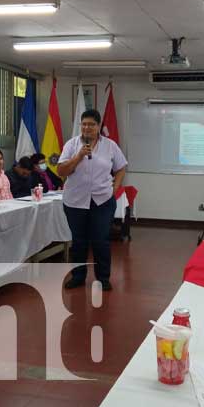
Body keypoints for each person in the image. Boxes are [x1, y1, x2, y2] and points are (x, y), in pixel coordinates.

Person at [57, 109, 127, 291]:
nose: (87, 128)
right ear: (81, 125)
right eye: (84, 124)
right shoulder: (71, 145)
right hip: (75, 201)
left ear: (98, 126)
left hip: (102, 200)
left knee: (100, 240)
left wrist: (115, 187)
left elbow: (121, 167)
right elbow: (61, 171)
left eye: (91, 124)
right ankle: (78, 276)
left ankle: (103, 278)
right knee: (79, 241)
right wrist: (79, 156)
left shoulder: (110, 145)